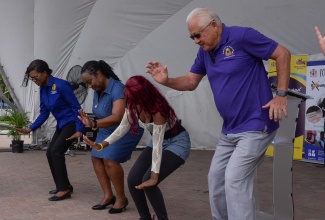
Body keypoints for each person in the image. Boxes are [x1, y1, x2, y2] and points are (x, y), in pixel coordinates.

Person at [146, 7, 291, 220]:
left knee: (234, 179)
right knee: (216, 179)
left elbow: (282, 54)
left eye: (198, 34)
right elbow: (190, 81)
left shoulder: (242, 37)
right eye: (192, 37)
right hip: (230, 129)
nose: (195, 40)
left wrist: (280, 95)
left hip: (256, 125)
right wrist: (167, 80)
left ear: (214, 25)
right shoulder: (205, 51)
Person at [82, 75, 191, 220]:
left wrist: (154, 176)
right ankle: (145, 217)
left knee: (149, 182)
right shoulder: (133, 105)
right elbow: (122, 128)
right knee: (133, 179)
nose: (130, 102)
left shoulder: (158, 111)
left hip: (177, 142)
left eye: (133, 98)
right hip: (158, 141)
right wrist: (102, 144)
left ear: (144, 96)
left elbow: (157, 146)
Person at [77, 60, 144, 214]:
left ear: (99, 74)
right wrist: (89, 121)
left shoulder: (118, 88)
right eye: (87, 83)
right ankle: (108, 196)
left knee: (110, 160)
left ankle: (121, 198)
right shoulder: (97, 90)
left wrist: (93, 123)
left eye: (90, 81)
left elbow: (117, 117)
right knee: (96, 157)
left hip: (125, 130)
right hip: (106, 130)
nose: (89, 86)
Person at [15, 59, 84, 201]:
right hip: (62, 124)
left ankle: (64, 190)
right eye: (31, 78)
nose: (34, 80)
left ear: (44, 73)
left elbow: (76, 107)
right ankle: (63, 185)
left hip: (71, 123)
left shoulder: (61, 85)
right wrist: (30, 128)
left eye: (35, 77)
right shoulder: (43, 89)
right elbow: (44, 112)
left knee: (56, 152)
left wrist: (79, 129)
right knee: (49, 153)